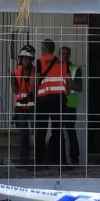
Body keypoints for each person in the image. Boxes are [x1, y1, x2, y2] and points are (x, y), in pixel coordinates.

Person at [33, 39, 69, 169]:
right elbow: (68, 82)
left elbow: (36, 82)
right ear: (53, 49)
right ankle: (60, 162)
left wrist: (34, 97)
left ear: (43, 49)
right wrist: (64, 93)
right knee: (58, 132)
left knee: (41, 132)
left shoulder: (39, 61)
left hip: (43, 100)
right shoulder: (62, 62)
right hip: (59, 100)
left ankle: (38, 163)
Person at [11, 44, 36, 169]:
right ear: (21, 59)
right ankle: (24, 161)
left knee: (37, 134)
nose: (26, 61)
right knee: (23, 136)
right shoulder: (16, 72)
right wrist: (12, 80)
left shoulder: (36, 72)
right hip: (21, 109)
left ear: (31, 60)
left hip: (34, 108)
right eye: (24, 58)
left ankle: (38, 160)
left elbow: (36, 89)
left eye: (28, 59)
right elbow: (15, 92)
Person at [60, 45, 84, 167]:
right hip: (57, 103)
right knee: (58, 133)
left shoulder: (75, 68)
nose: (64, 56)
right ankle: (60, 159)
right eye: (62, 54)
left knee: (70, 131)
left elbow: (80, 88)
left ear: (69, 55)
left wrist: (69, 83)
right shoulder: (55, 67)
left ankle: (75, 159)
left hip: (70, 104)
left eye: (66, 54)